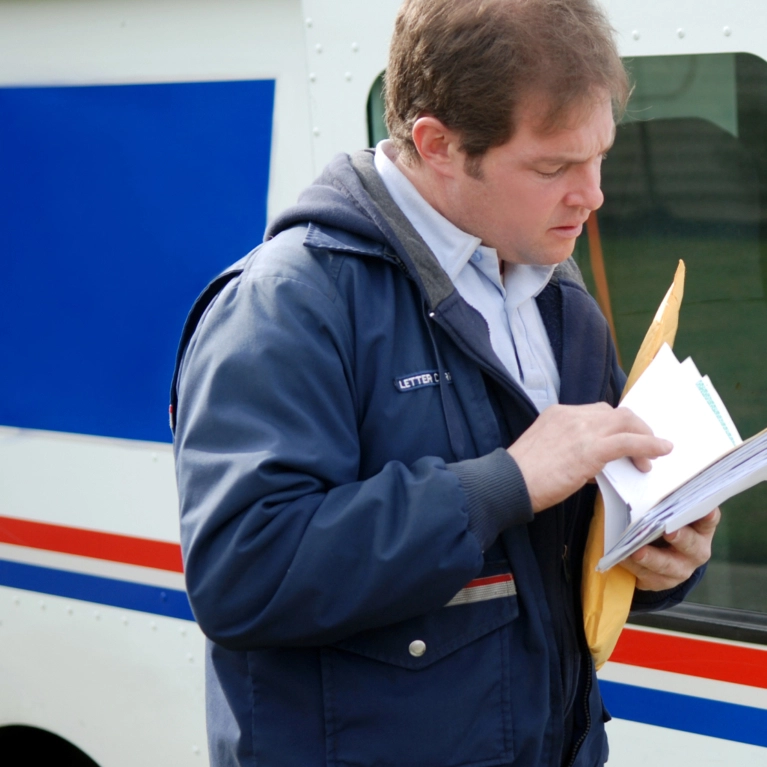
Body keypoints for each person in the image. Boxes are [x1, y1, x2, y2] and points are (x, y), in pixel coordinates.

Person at [172, 1, 720, 765]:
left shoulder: (561, 304)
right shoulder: (289, 302)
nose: (591, 194)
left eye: (599, 156)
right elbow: (243, 571)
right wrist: (506, 481)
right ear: (436, 144)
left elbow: (561, 558)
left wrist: (659, 549)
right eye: (553, 166)